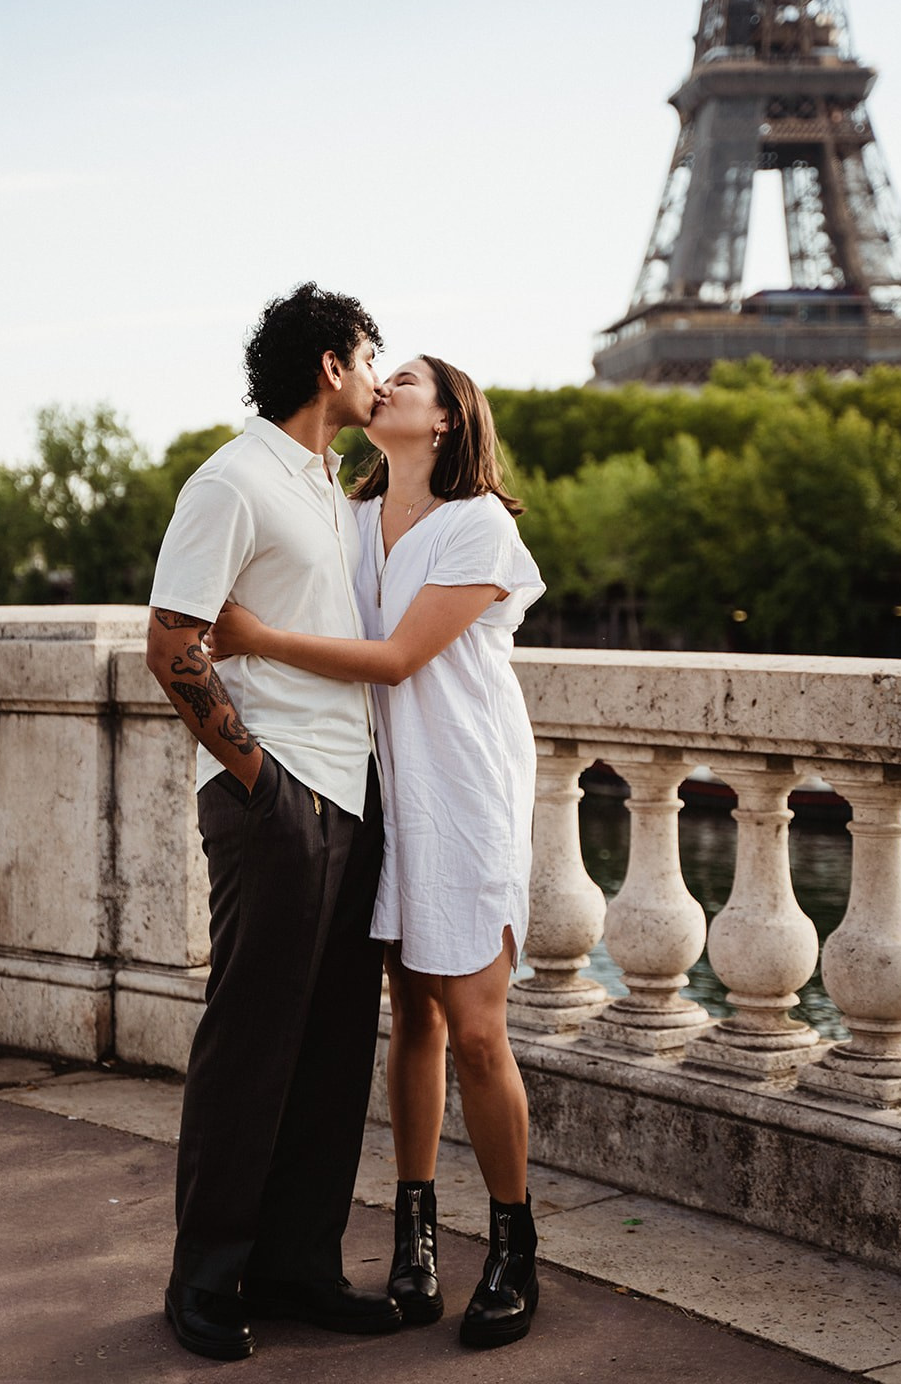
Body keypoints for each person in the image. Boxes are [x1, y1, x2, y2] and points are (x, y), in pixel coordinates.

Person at [212, 354, 546, 1350]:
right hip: (384, 792)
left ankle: (511, 1245)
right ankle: (415, 1236)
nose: (385, 384)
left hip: (466, 792)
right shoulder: (352, 522)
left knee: (476, 1030)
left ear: (445, 421)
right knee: (411, 1025)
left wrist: (254, 638)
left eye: (406, 378)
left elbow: (400, 657)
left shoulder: (479, 523)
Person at [145, 282, 402, 1363]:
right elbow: (171, 642)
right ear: (329, 366)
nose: (382, 371)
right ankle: (204, 1276)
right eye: (369, 351)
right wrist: (262, 783)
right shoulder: (233, 478)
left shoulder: (332, 489)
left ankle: (296, 1263)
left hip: (354, 790)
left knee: (335, 1047)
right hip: (279, 798)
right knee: (251, 1042)